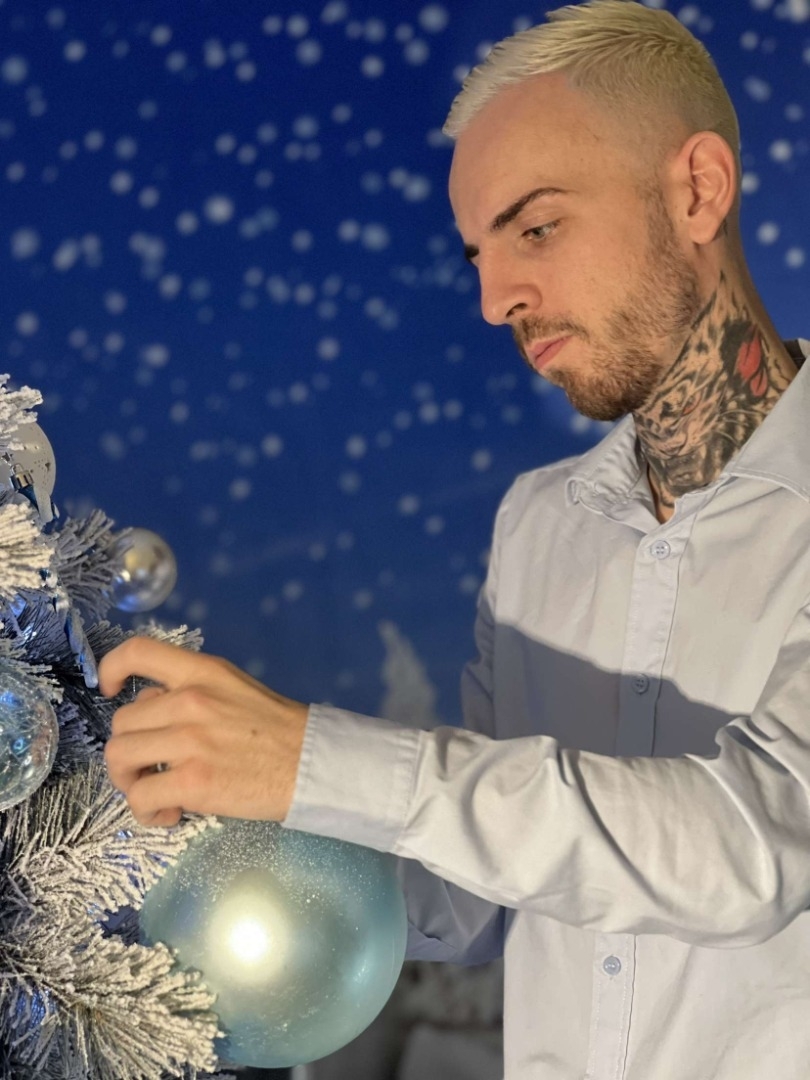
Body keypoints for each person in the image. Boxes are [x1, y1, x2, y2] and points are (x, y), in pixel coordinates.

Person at [101, 2, 810, 1078]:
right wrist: (227, 819)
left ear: (699, 190)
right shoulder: (538, 524)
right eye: (478, 251)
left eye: (537, 228)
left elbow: (755, 845)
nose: (494, 299)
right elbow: (472, 891)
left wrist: (314, 758)